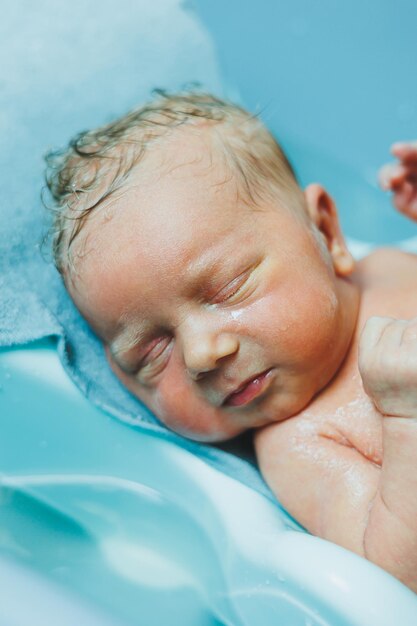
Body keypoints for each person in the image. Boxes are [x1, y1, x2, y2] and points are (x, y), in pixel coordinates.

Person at [45, 92, 417, 592]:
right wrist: (406, 421)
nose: (201, 354)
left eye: (228, 288)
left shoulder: (393, 265)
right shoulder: (300, 444)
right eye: (152, 353)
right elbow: (395, 576)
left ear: (326, 232)